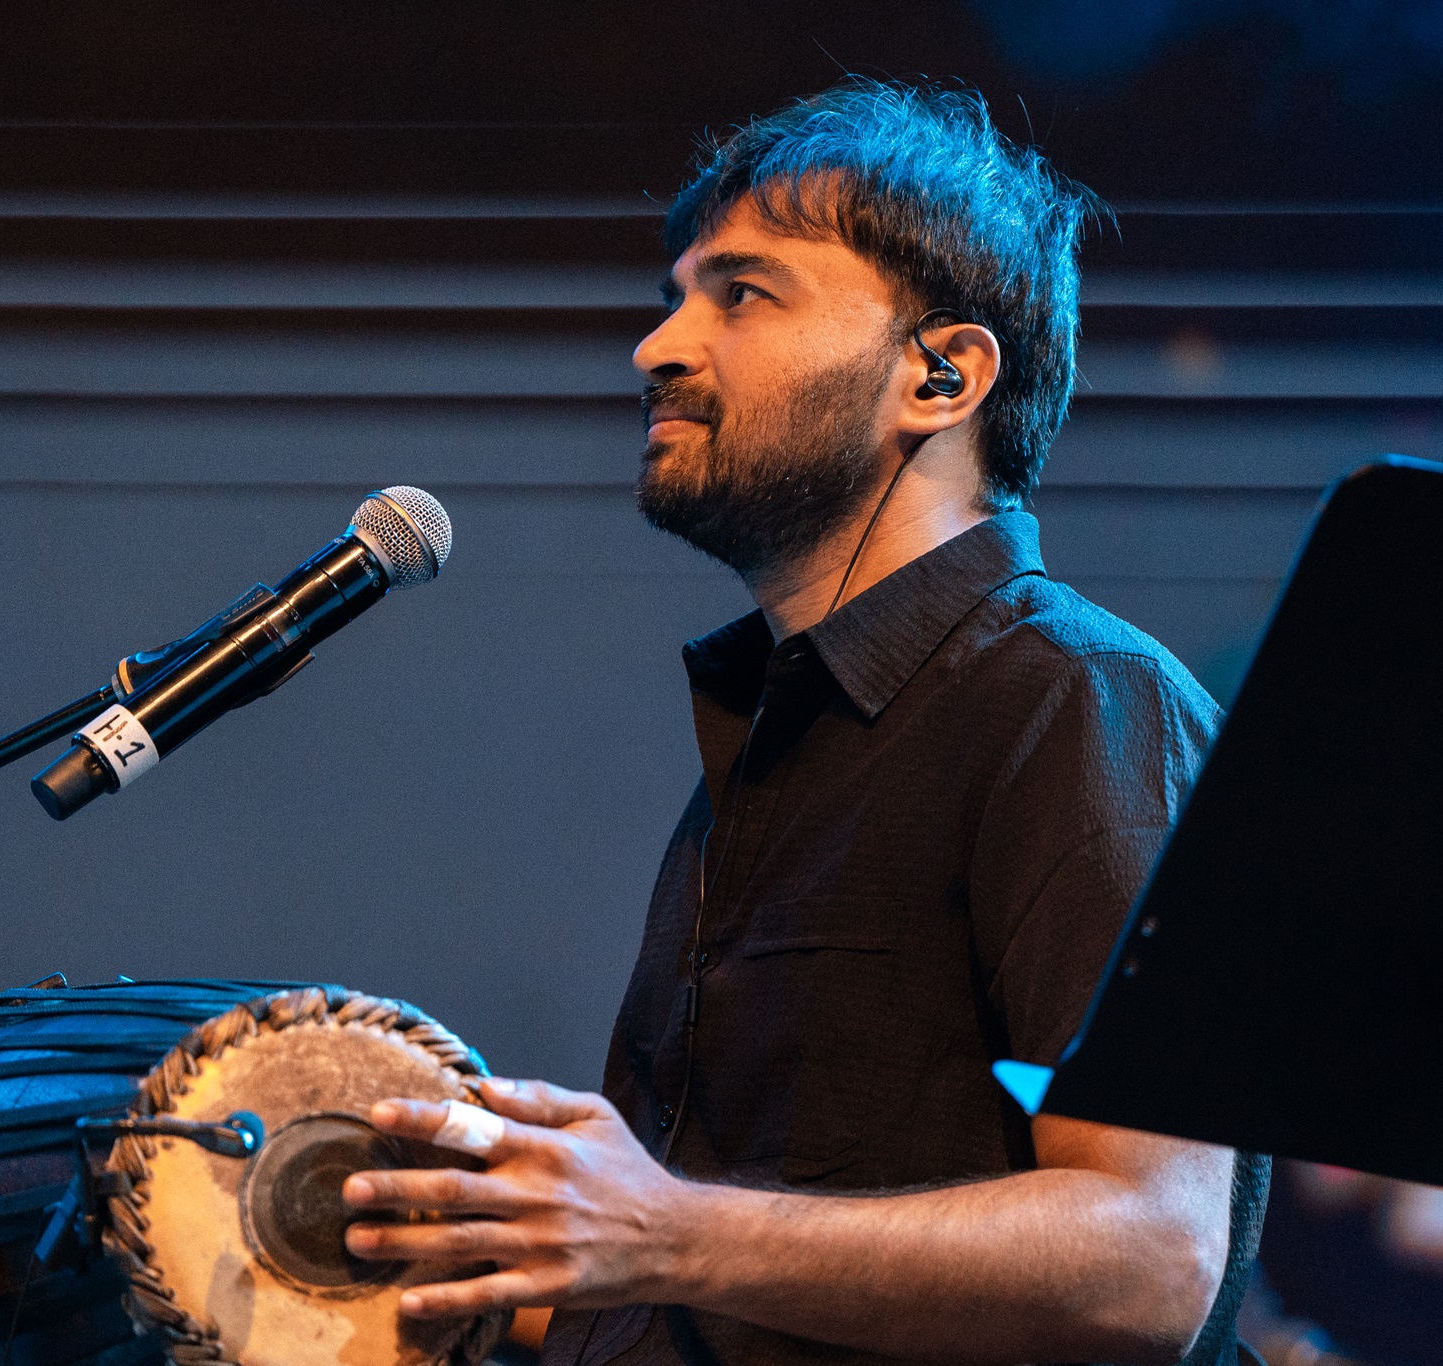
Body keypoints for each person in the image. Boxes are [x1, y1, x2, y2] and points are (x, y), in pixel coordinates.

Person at [343, 80, 1268, 1366]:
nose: (659, 345)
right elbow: (732, 1276)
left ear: (939, 375)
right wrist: (490, 1267)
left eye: (742, 294)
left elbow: (1150, 1256)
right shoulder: (773, 741)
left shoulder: (1071, 698)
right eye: (675, 295)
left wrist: (657, 1229)